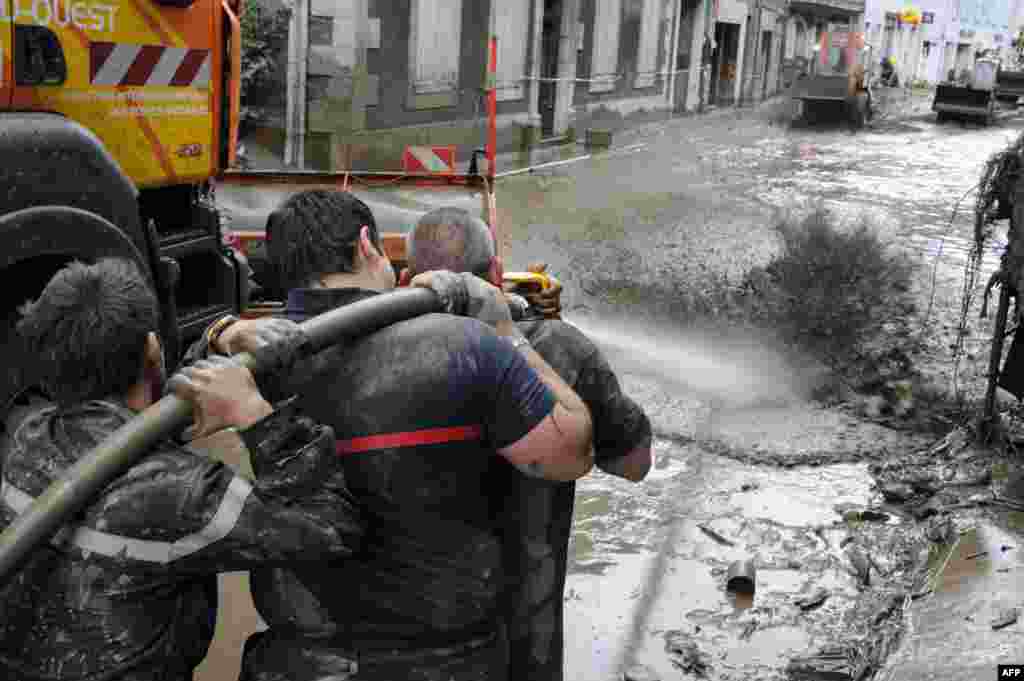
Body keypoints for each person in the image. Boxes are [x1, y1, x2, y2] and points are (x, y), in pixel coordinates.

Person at [198, 189, 595, 680]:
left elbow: (153, 403)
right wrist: (502, 329)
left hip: (299, 661)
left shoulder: (245, 367)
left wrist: (219, 333)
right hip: (447, 662)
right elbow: (570, 452)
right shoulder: (463, 345)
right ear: (368, 245)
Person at [0, 257, 365, 681]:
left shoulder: (28, 437)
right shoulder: (178, 493)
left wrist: (219, 338)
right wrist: (261, 419)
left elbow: (128, 423)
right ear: (154, 348)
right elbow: (328, 527)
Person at [399, 206, 653, 681]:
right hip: (524, 653)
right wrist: (541, 338)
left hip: (397, 650)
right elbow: (635, 464)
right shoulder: (557, 346)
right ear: (496, 273)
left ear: (408, 278)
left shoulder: (370, 352)